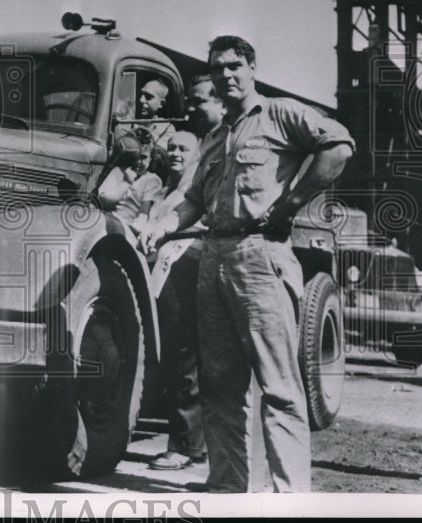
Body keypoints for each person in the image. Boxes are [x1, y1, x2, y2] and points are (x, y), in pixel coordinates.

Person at [141, 35, 354, 492]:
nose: (226, 75)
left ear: (252, 67)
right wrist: (161, 226)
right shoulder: (216, 136)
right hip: (214, 255)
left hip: (261, 255)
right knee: (219, 385)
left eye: (234, 65)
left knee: (278, 386)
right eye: (218, 68)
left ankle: (288, 496)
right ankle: (227, 487)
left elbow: (337, 145)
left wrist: (292, 203)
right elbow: (194, 199)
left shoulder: (279, 114)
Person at [137, 130, 206, 471]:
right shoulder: (163, 189)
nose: (176, 153)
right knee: (170, 358)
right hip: (163, 270)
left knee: (183, 356)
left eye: (184, 148)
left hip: (185, 267)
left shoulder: (197, 190)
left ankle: (186, 446)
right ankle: (189, 441)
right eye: (172, 147)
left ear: (198, 154)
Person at [97, 126, 163, 235]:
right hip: (105, 219)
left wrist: (136, 231)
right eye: (134, 156)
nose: (138, 161)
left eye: (143, 157)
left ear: (151, 158)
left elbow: (144, 213)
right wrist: (126, 182)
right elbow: (104, 201)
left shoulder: (152, 180)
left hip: (127, 227)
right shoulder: (119, 172)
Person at [137, 77, 176, 147]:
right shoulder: (127, 121)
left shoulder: (166, 128)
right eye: (140, 95)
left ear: (161, 104)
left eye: (148, 97)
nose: (141, 100)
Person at [185, 74, 225, 139]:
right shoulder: (191, 139)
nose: (190, 108)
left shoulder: (230, 138)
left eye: (198, 101)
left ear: (223, 105)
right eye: (188, 103)